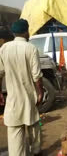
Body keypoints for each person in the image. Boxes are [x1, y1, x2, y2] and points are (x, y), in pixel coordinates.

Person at [0, 19, 43, 156]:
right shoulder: (31, 48)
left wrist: (0, 92)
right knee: (34, 126)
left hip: (12, 99)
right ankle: (36, 151)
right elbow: (37, 76)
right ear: (25, 31)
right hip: (29, 97)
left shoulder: (4, 49)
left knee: (14, 132)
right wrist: (40, 92)